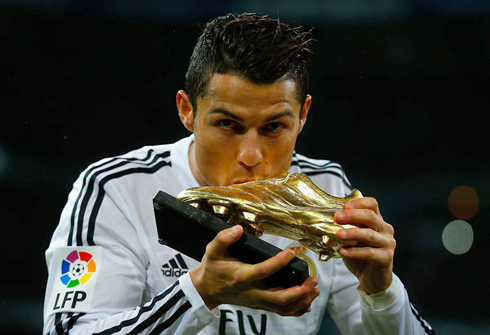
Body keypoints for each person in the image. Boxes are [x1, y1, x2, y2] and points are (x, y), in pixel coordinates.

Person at [43, 13, 435, 334]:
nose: (251, 156)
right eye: (228, 125)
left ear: (303, 116)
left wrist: (381, 290)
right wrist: (200, 293)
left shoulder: (327, 192)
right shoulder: (117, 190)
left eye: (274, 127)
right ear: (187, 111)